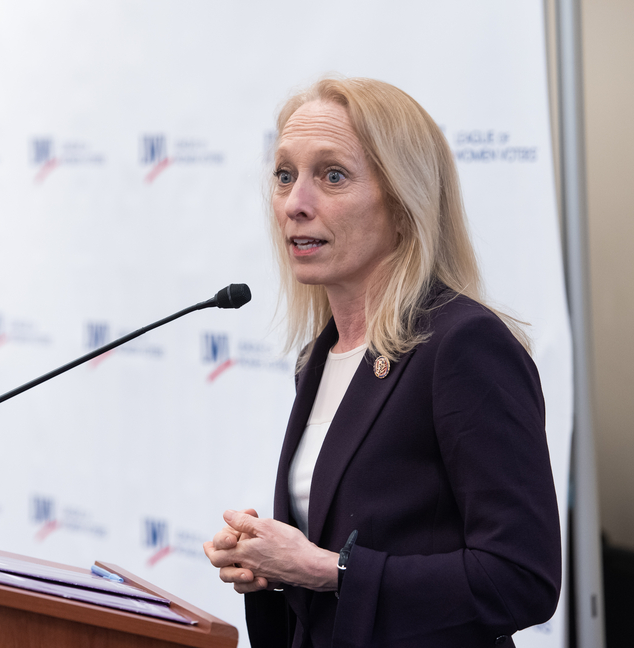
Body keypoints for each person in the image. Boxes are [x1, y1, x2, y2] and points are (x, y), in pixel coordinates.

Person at [203, 78, 561, 647]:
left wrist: (327, 569)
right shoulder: (319, 358)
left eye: (333, 175)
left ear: (402, 201)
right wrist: (272, 569)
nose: (296, 203)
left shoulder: (464, 346)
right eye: (285, 175)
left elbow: (521, 579)